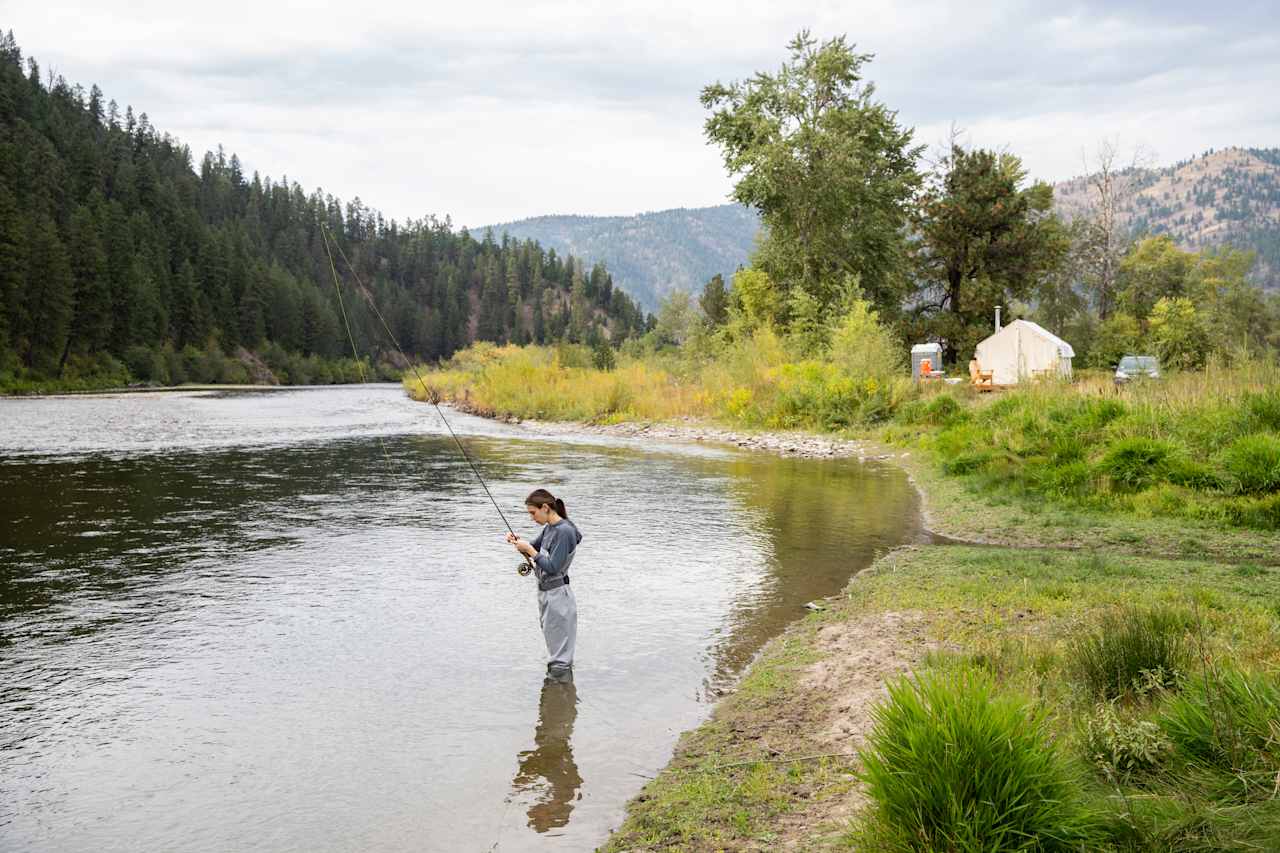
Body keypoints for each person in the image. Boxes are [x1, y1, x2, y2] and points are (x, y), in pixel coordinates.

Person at [507, 488, 581, 683]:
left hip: (558, 597)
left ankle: (559, 701)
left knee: (559, 660)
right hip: (547, 595)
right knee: (556, 652)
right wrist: (518, 542)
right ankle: (557, 700)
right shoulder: (550, 528)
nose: (532, 518)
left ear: (545, 508)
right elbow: (533, 548)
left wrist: (529, 549)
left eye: (533, 513)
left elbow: (553, 567)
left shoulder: (564, 531)